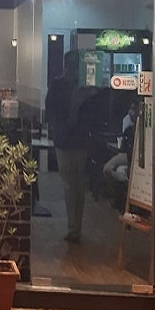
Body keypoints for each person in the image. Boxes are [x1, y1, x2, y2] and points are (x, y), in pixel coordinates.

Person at [44, 50, 99, 243]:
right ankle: (75, 226)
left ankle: (74, 227)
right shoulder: (84, 87)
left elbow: (50, 110)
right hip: (76, 139)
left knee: (71, 184)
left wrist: (56, 128)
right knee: (76, 184)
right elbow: (92, 114)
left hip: (68, 139)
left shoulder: (59, 85)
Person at [102, 101, 139, 204]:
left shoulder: (142, 130)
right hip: (125, 155)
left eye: (134, 109)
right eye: (130, 109)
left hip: (132, 157)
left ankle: (124, 190)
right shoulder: (128, 129)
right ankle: (118, 194)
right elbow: (123, 147)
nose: (131, 112)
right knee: (107, 169)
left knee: (109, 169)